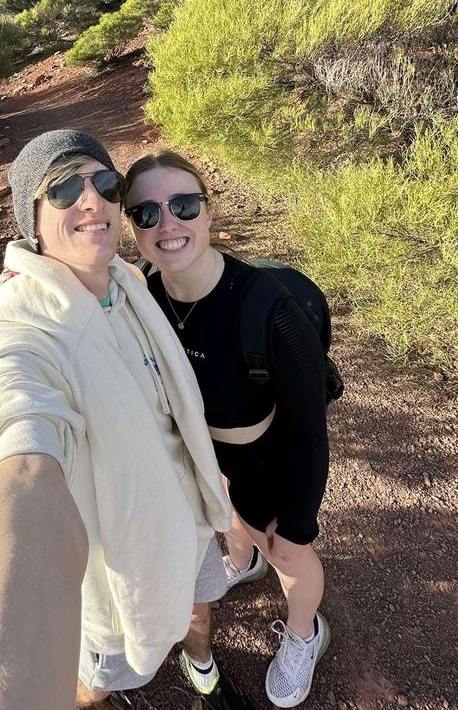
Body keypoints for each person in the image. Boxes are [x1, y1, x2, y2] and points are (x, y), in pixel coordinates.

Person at [0, 130, 256, 710]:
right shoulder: (19, 331)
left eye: (105, 183)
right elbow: (21, 452)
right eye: (63, 190)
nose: (93, 201)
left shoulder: (122, 280)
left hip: (187, 518)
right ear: (30, 217)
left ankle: (201, 668)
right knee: (98, 676)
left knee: (199, 607)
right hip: (120, 565)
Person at [124, 151, 331, 709]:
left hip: (268, 456)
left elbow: (311, 434)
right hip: (203, 458)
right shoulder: (142, 295)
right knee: (232, 519)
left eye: (184, 205)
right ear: (133, 229)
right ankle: (243, 561)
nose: (168, 225)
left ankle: (305, 632)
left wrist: (298, 523)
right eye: (146, 213)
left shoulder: (271, 310)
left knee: (287, 552)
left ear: (208, 214)